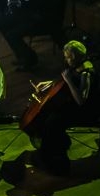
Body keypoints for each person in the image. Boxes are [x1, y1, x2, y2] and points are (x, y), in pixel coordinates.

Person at [28, 40, 95, 176]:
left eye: (69, 57)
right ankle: (50, 152)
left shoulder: (86, 73)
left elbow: (81, 101)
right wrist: (48, 84)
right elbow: (64, 82)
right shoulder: (76, 66)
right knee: (49, 118)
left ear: (77, 57)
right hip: (70, 105)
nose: (66, 60)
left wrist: (68, 80)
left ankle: (57, 158)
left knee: (52, 122)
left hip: (82, 112)